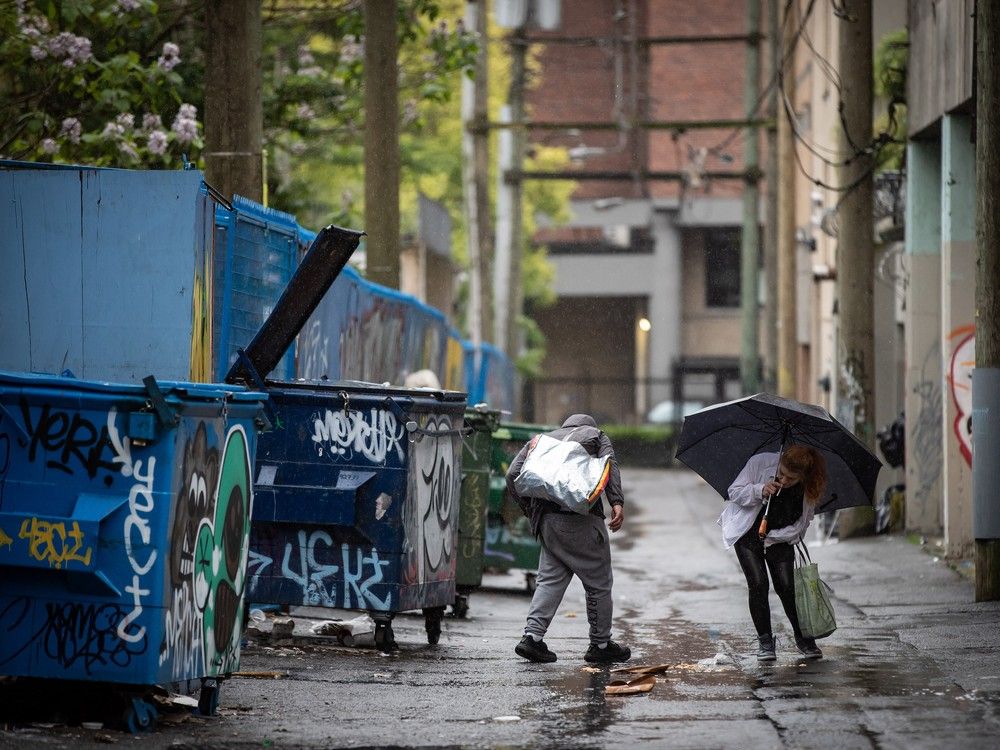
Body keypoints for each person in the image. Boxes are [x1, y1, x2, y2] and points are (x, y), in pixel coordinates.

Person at [505, 414, 631, 664]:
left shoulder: (541, 441)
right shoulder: (597, 436)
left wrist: (531, 511)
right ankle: (601, 644)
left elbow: (512, 475)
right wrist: (616, 502)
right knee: (598, 583)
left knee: (550, 580)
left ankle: (532, 638)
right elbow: (610, 465)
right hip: (582, 521)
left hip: (548, 522)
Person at [720, 444, 828, 662]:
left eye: (791, 479)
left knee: (787, 587)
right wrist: (760, 490)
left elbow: (800, 526)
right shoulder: (760, 462)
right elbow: (734, 492)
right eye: (782, 474)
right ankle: (765, 641)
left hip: (780, 537)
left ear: (803, 477)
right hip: (748, 533)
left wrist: (772, 538)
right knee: (758, 584)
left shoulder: (808, 488)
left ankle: (804, 638)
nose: (785, 480)